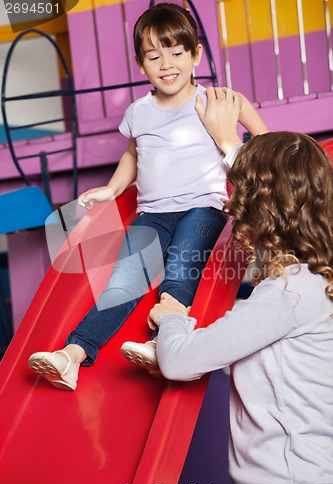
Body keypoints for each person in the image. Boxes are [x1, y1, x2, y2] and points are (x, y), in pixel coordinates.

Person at [28, 2, 268, 390]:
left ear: (195, 55)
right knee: (121, 285)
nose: (167, 64)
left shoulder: (221, 101)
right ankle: (71, 355)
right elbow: (132, 155)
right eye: (155, 56)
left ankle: (163, 344)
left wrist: (249, 190)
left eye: (176, 53)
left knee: (178, 271)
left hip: (203, 208)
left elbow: (267, 144)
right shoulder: (139, 112)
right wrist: (113, 188)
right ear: (141, 65)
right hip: (152, 214)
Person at [149, 92, 333, 484]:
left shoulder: (289, 292)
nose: (235, 208)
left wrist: (173, 316)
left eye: (243, 201)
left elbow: (179, 361)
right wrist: (229, 142)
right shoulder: (313, 279)